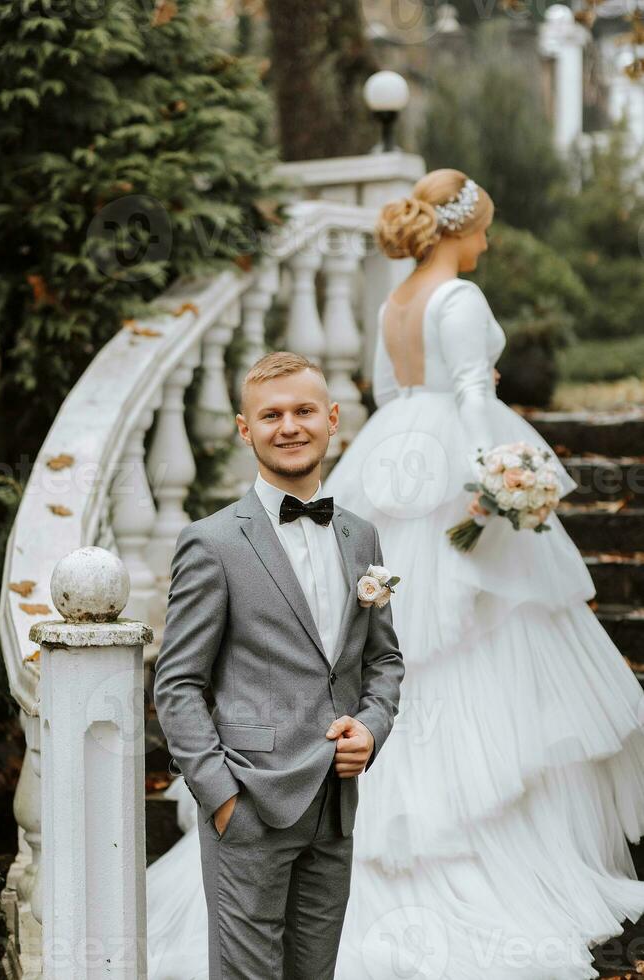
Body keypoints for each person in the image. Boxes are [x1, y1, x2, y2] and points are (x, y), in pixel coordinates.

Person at [322, 168, 644, 979]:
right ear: (461, 228)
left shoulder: (396, 300)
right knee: (477, 632)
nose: (490, 242)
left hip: (392, 449)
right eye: (486, 228)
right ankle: (482, 838)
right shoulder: (458, 300)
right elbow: (471, 393)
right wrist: (502, 474)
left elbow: (389, 388)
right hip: (456, 460)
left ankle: (396, 825)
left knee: (402, 633)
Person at [151, 351, 405, 980]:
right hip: (250, 802)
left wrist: (371, 728)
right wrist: (219, 796)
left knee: (313, 972)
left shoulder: (361, 536)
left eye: (303, 411)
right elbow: (177, 683)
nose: (288, 426)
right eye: (271, 415)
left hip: (335, 804)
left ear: (333, 418)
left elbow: (385, 659)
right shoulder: (211, 543)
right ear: (245, 428)